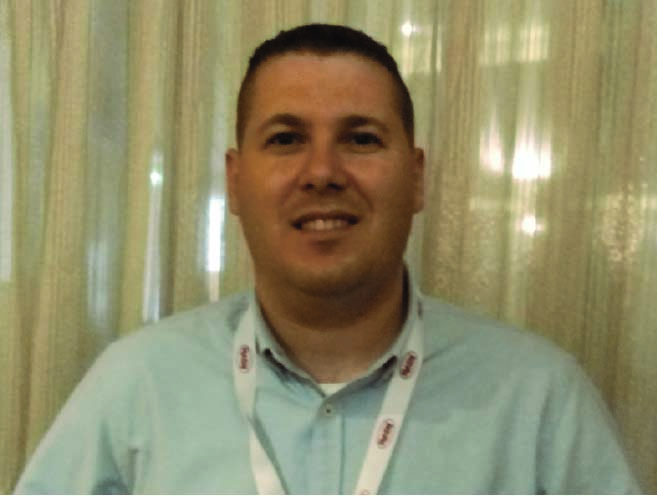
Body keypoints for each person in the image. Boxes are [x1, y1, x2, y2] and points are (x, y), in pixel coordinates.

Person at [15, 24, 640, 494]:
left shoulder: (538, 400)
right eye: (286, 139)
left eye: (361, 139)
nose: (321, 172)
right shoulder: (136, 387)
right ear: (235, 181)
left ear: (416, 178)